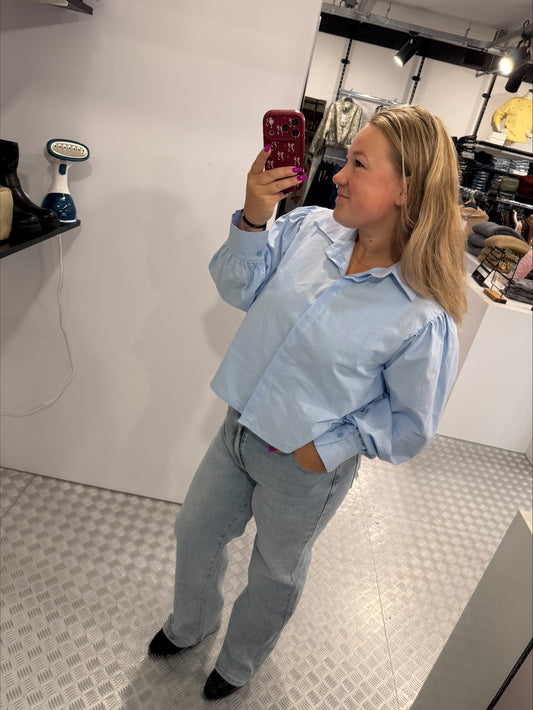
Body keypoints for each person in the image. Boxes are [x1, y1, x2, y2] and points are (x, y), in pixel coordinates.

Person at [148, 104, 467, 701]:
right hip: (238, 429)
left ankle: (239, 662)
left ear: (406, 188)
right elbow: (237, 287)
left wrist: (326, 449)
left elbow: (410, 424)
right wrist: (254, 215)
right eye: (346, 160)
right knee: (195, 532)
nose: (338, 175)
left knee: (275, 573)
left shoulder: (422, 314)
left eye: (359, 164)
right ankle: (193, 623)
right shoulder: (307, 229)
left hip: (302, 467)